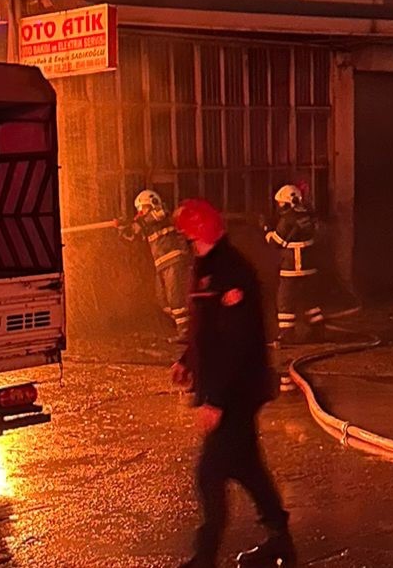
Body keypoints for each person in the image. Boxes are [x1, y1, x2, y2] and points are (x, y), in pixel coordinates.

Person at [171, 199, 295, 568]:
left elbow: (235, 341)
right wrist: (186, 361)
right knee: (246, 467)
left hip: (236, 391)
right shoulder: (207, 267)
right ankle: (279, 541)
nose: (186, 243)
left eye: (189, 236)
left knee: (209, 472)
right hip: (230, 390)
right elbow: (205, 329)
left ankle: (205, 556)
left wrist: (217, 401)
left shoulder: (230, 271)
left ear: (199, 233)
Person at [117, 188, 193, 339]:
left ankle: (185, 332)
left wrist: (136, 224)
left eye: (142, 208)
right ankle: (191, 324)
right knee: (162, 300)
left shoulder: (161, 212)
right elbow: (133, 235)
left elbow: (154, 216)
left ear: (152, 203)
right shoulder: (146, 224)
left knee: (175, 298)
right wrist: (123, 228)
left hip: (174, 260)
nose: (140, 212)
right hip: (161, 264)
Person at [265, 184, 325, 345]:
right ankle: (318, 330)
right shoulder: (308, 215)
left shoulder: (287, 219)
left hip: (292, 266)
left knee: (285, 300)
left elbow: (277, 242)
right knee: (309, 299)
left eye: (280, 203)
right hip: (309, 265)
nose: (279, 207)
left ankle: (286, 334)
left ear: (287, 202)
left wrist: (268, 232)